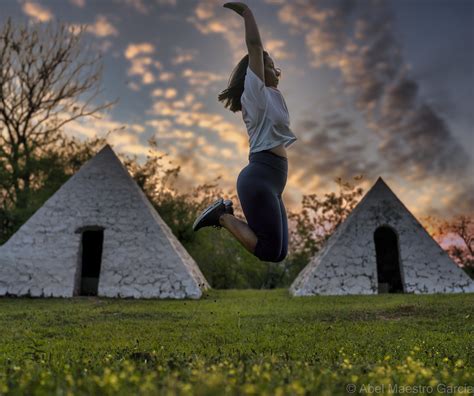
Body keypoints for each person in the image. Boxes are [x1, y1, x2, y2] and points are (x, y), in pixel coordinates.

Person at [192, 2, 297, 263]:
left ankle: (223, 214)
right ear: (257, 72)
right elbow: (255, 47)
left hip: (274, 181)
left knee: (279, 253)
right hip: (259, 177)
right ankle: (222, 216)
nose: (275, 70)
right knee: (268, 250)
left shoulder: (273, 96)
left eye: (274, 66)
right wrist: (247, 13)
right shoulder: (255, 93)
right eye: (269, 65)